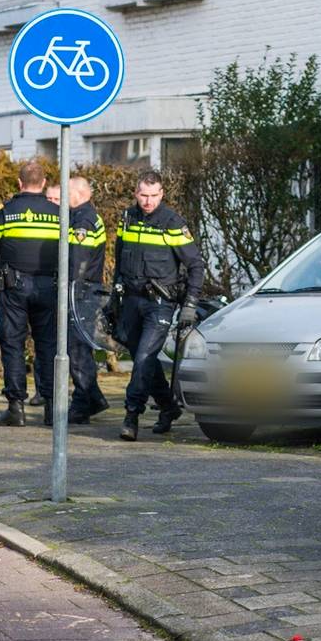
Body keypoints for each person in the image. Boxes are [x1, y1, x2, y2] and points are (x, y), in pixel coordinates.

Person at [113, 170, 205, 441]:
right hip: (131, 299)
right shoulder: (127, 218)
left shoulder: (172, 222)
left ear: (162, 194)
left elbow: (196, 266)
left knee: (143, 358)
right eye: (143, 195)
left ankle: (132, 415)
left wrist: (190, 304)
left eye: (153, 196)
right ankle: (168, 406)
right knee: (144, 359)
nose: (148, 201)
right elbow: (120, 259)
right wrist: (113, 298)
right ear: (135, 193)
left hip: (160, 303)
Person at [0, 159, 61, 427]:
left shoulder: (6, 212)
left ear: (19, 182)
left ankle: (16, 408)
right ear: (44, 183)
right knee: (47, 346)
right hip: (49, 287)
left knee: (13, 344)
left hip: (14, 288)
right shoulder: (58, 213)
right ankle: (50, 408)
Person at [66, 176, 110, 424]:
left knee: (77, 350)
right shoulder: (83, 216)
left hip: (80, 293)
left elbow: (78, 262)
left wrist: (70, 291)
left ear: (79, 193)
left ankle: (83, 404)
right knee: (78, 349)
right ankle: (94, 399)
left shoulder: (84, 220)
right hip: (83, 292)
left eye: (66, 191)